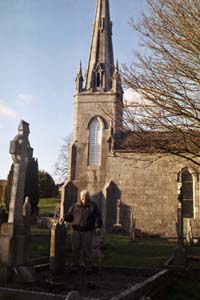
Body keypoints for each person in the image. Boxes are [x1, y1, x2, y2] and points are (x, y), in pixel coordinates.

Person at [63, 189, 102, 272]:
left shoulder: (93, 206)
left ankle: (88, 267)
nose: (84, 197)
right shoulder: (75, 206)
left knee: (86, 250)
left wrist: (98, 226)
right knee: (75, 250)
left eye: (86, 196)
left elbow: (98, 217)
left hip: (87, 231)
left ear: (88, 196)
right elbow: (70, 216)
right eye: (82, 196)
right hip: (76, 231)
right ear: (80, 197)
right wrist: (64, 217)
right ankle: (74, 267)